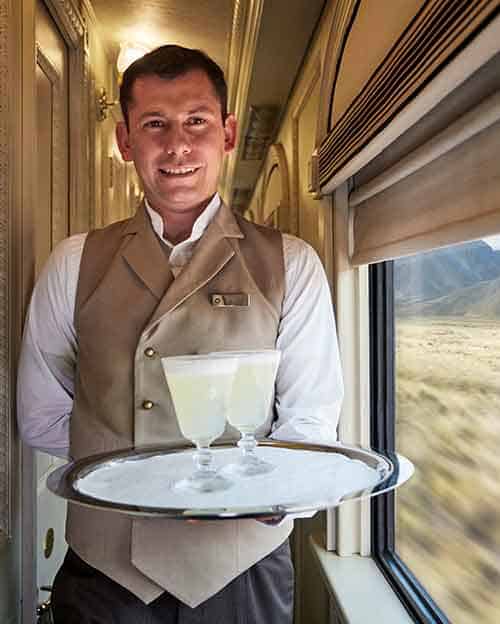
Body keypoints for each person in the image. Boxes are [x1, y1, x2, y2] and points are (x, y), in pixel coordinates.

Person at [17, 45, 343, 623]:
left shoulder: (293, 264)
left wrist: (252, 494)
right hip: (105, 570)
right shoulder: (72, 264)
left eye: (196, 121)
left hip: (241, 567)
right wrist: (134, 473)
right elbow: (40, 416)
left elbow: (310, 423)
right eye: (154, 125)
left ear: (228, 132)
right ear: (125, 141)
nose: (177, 146)